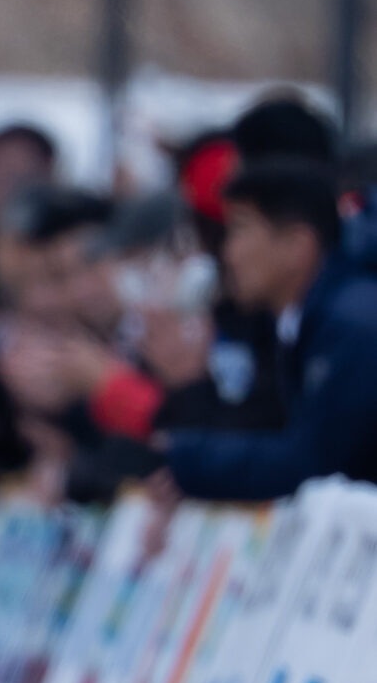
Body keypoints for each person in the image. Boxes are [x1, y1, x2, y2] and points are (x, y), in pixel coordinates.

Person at [155, 158, 377, 504]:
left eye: (240, 230)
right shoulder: (309, 322)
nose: (228, 254)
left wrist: (186, 457)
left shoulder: (353, 327)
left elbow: (321, 461)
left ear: (297, 246)